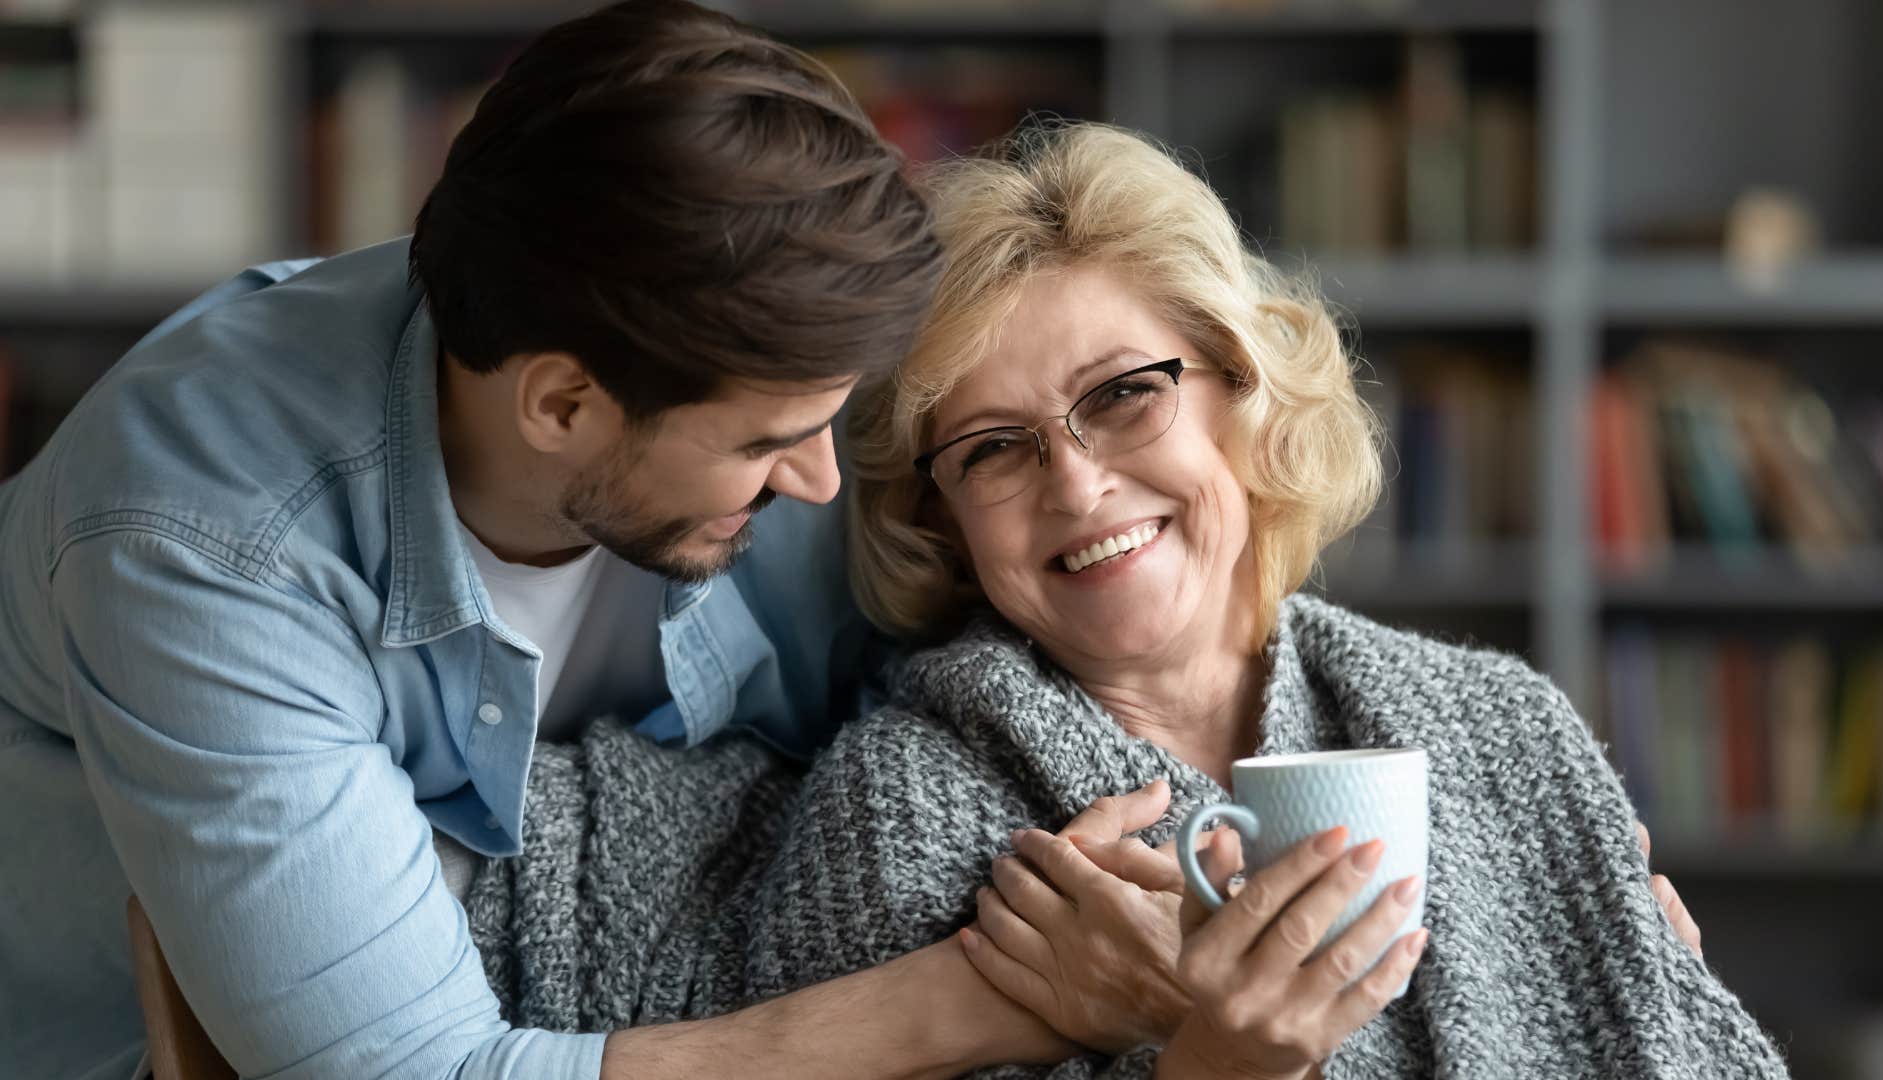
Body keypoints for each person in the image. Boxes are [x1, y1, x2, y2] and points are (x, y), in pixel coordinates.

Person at [463, 122, 1766, 1079]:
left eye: (1126, 394)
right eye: (994, 449)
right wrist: (1222, 1067)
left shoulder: (1502, 725)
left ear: (1241, 389)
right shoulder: (908, 812)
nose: (1078, 485)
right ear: (944, 522)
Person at [0, 3, 1120, 1078]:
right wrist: (990, 1002)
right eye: (767, 444)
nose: (824, 483)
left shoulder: (727, 342)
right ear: (561, 405)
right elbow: (421, 1070)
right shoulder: (203, 548)